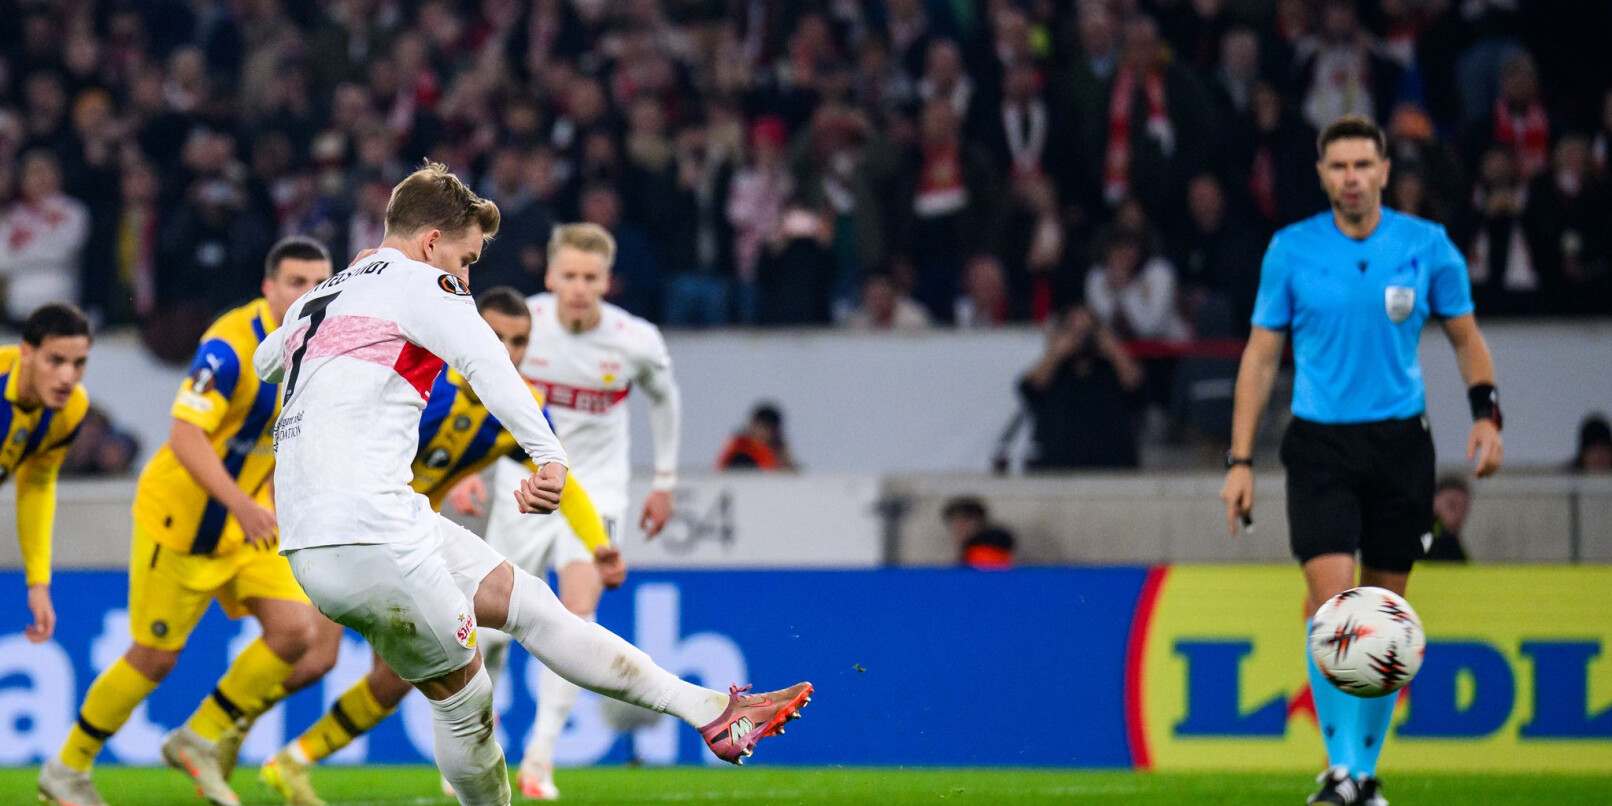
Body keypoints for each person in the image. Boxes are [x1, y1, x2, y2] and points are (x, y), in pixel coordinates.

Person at [259, 164, 804, 806]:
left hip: (344, 527)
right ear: (431, 243)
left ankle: (711, 710)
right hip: (366, 530)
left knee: (534, 606)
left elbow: (267, 361)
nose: (466, 280)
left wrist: (351, 291)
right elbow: (486, 361)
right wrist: (550, 456)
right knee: (466, 700)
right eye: (465, 260)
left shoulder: (324, 295)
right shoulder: (423, 280)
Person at [1220, 116, 1504, 806]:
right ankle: (1341, 769)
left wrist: (1487, 415)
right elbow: (1260, 357)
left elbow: (1466, 337)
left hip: (1401, 445)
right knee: (1333, 607)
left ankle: (1362, 774)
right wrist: (1239, 459)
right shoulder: (1291, 250)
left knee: (1384, 616)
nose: (1351, 178)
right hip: (1320, 444)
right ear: (1322, 175)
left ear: (1384, 171)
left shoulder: (1426, 246)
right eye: (1339, 166)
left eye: (1362, 165)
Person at [256, 287, 623, 806]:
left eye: (519, 341)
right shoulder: (421, 378)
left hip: (405, 546)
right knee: (316, 656)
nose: (507, 350)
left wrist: (598, 544)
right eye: (496, 336)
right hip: (342, 529)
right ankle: (224, 725)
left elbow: (560, 478)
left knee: (393, 680)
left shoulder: (514, 409)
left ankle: (292, 760)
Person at [40, 238, 334, 806]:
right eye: (296, 283)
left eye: (319, 284)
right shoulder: (229, 347)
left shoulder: (318, 348)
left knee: (296, 630)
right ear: (268, 287)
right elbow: (184, 435)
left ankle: (198, 738)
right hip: (182, 520)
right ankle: (67, 768)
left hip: (245, 522)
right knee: (154, 658)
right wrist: (243, 504)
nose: (308, 295)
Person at [450, 221, 687, 799]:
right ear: (551, 276)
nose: (580, 288)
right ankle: (480, 748)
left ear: (608, 280)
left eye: (591, 277)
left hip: (596, 490)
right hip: (525, 485)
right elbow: (469, 393)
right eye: (570, 275)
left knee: (578, 616)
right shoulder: (519, 326)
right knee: (494, 628)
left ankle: (539, 760)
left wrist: (664, 481)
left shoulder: (635, 339)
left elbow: (665, 399)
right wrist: (466, 470)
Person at [2, 303, 92, 647]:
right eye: (55, 360)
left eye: (78, 363)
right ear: (27, 352)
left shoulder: (71, 411)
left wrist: (38, 583)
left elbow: (36, 485)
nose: (67, 377)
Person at [1018, 305, 1144, 469]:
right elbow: (1030, 388)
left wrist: (1113, 350)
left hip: (1111, 467)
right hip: (1058, 468)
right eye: (1073, 331)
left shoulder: (1111, 369)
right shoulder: (1054, 371)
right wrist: (1056, 352)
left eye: (1087, 331)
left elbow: (1136, 386)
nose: (1081, 338)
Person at [941, 496, 1017, 569]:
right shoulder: (961, 553)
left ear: (981, 524)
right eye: (955, 521)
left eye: (966, 520)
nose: (960, 526)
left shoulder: (985, 552)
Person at [717, 403, 797, 471]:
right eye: (763, 427)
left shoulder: (777, 452)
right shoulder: (741, 455)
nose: (766, 433)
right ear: (753, 426)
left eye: (772, 429)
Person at [1427, 476, 1472, 562]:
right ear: (1434, 502)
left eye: (1463, 508)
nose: (1458, 514)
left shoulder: (1451, 541)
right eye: (1452, 505)